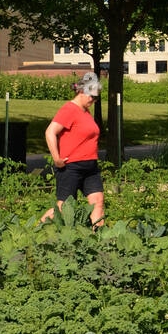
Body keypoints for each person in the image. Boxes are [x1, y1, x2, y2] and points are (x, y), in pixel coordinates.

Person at [42, 72, 104, 226]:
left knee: (98, 202)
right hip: (71, 167)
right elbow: (50, 132)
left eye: (96, 98)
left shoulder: (85, 111)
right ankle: (35, 230)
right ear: (81, 92)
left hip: (91, 167)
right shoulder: (69, 109)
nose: (93, 100)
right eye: (92, 96)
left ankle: (101, 241)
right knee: (63, 208)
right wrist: (56, 159)